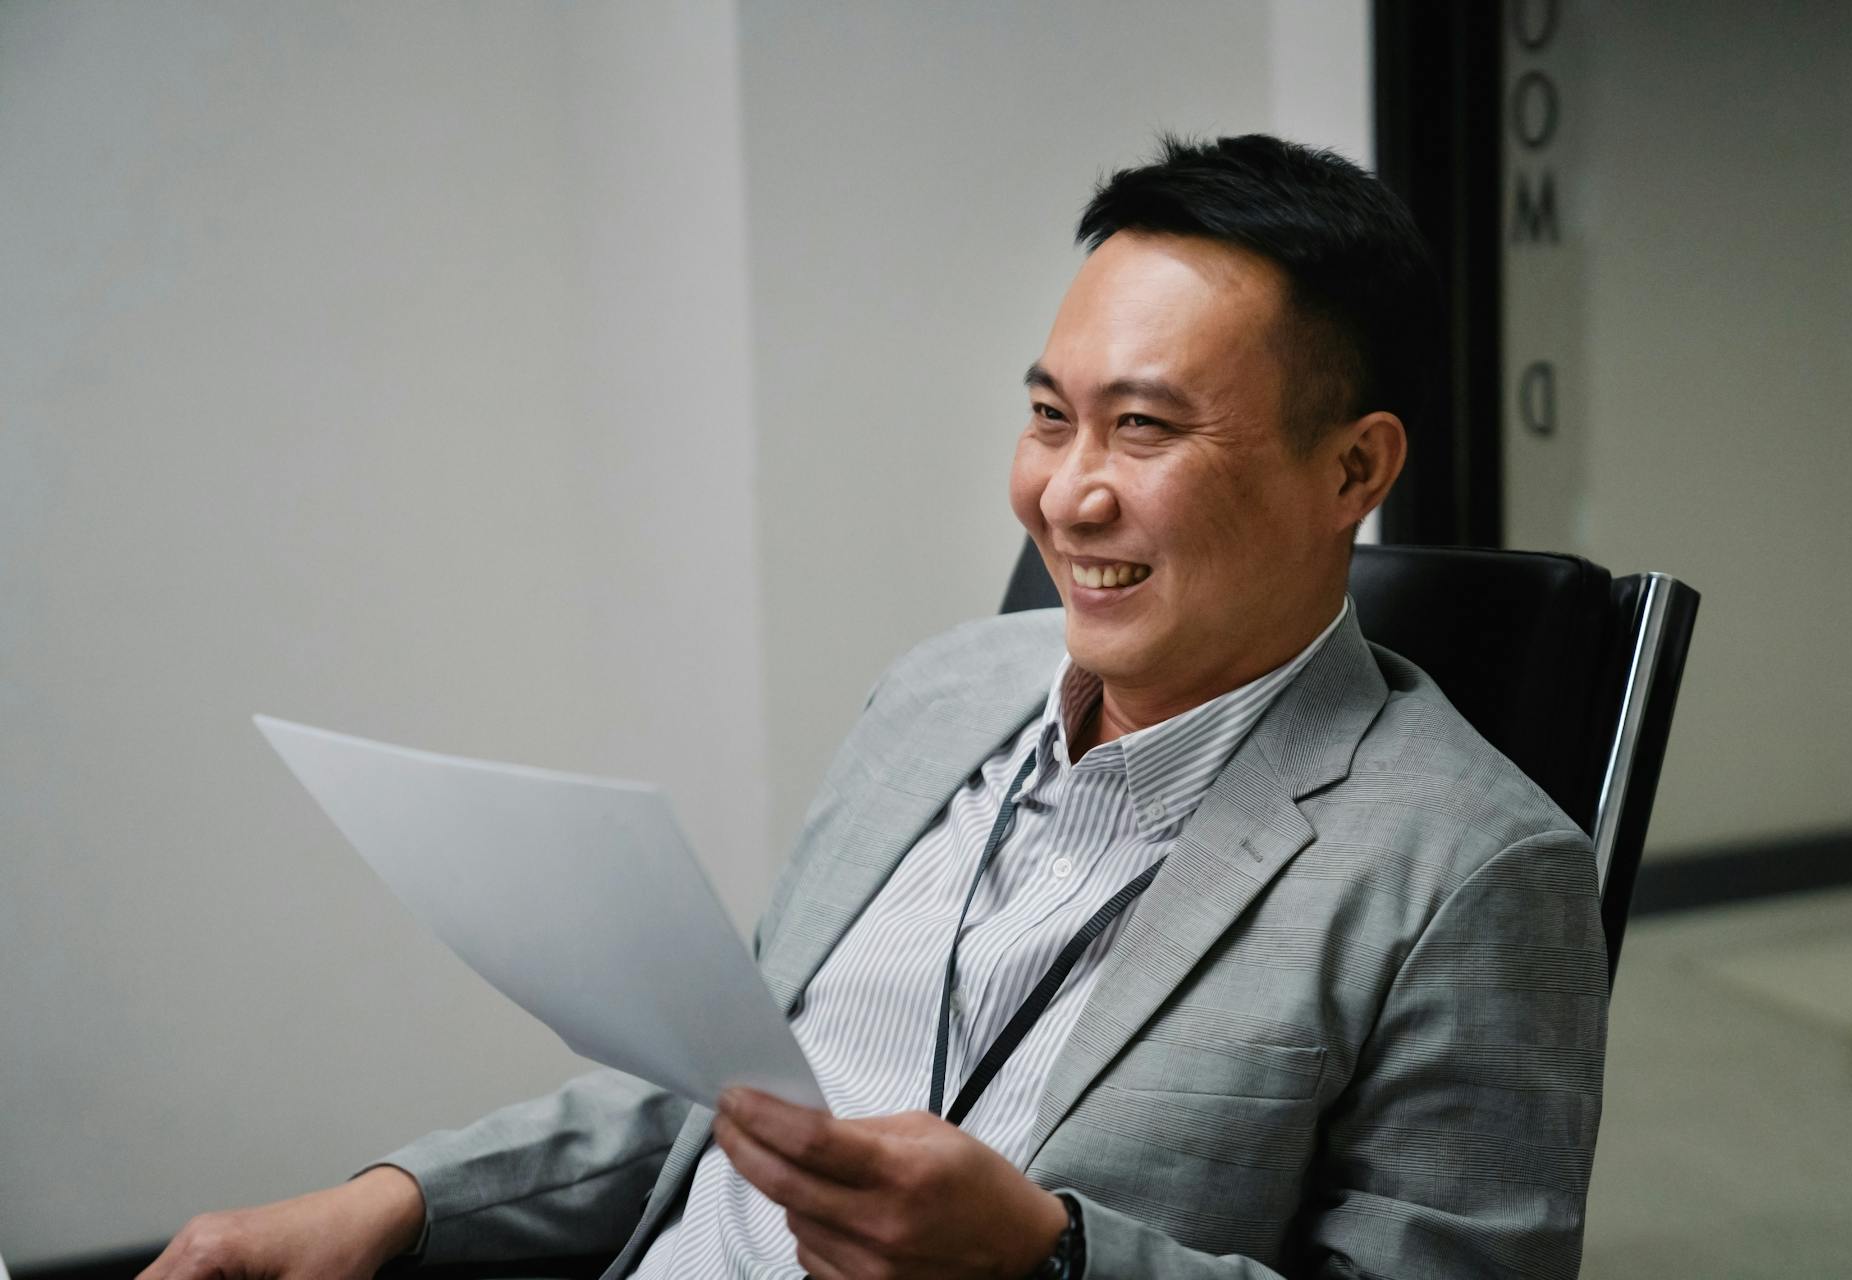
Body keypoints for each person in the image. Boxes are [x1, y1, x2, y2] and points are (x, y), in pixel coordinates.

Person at [141, 134, 1607, 1280]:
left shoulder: (1475, 870)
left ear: (1354, 471)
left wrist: (1045, 1260)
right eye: (1049, 416)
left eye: (1145, 427)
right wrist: (388, 1205)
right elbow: (726, 1094)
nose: (1068, 491)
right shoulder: (938, 693)